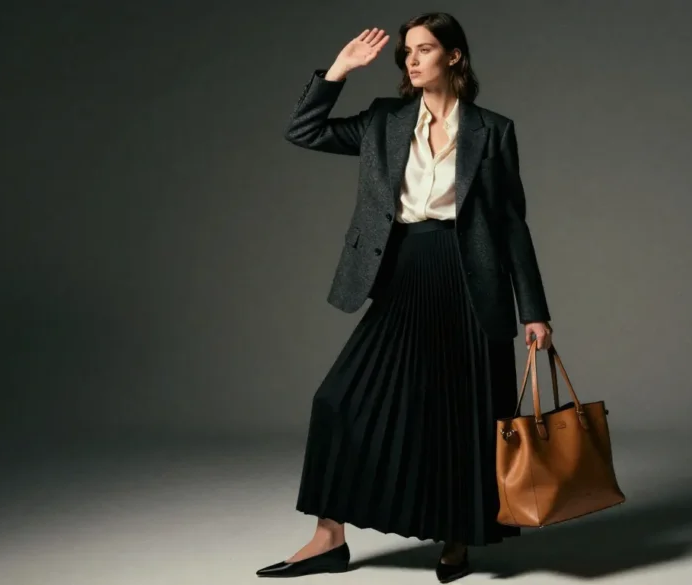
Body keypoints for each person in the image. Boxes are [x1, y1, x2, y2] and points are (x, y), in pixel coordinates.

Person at [256, 12, 553, 583]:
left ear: (455, 56)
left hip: (472, 282)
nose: (411, 60)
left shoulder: (493, 130)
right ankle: (327, 539)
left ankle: (457, 537)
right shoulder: (382, 122)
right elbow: (304, 131)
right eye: (406, 53)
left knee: (460, 416)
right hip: (403, 273)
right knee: (338, 400)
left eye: (423, 49)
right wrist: (337, 71)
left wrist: (534, 310)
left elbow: (512, 224)